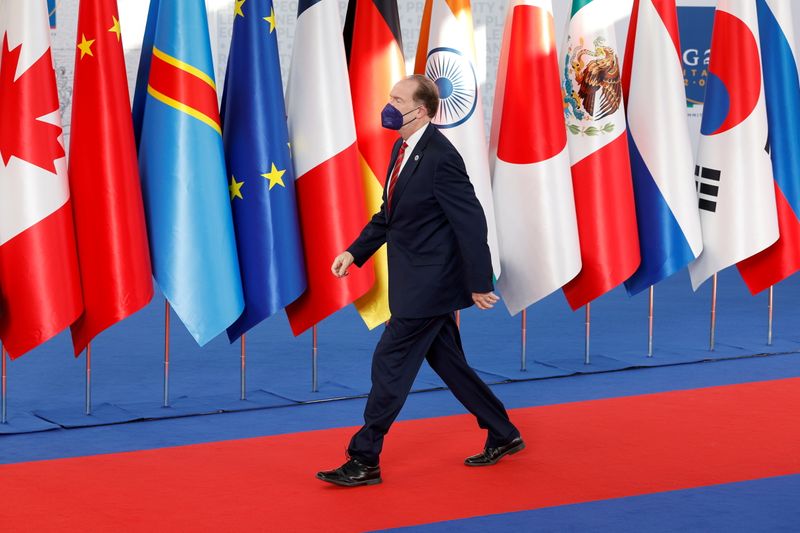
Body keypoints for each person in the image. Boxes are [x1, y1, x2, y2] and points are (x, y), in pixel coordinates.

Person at [316, 75, 523, 487]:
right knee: (449, 363)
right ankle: (504, 432)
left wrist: (480, 282)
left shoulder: (441, 156)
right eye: (389, 95)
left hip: (429, 286)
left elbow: (470, 221)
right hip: (416, 279)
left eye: (397, 99)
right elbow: (388, 216)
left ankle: (364, 457)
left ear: (422, 110)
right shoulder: (403, 147)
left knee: (389, 363)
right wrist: (354, 252)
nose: (389, 104)